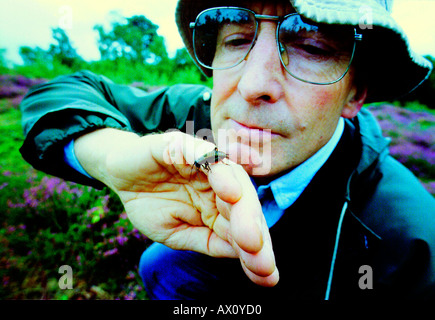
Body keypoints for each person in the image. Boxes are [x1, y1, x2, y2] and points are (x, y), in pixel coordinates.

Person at [19, 0, 435, 300]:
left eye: (312, 48)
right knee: (160, 263)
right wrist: (111, 158)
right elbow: (60, 92)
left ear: (355, 94)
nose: (253, 85)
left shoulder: (412, 240)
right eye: (237, 38)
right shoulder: (195, 116)